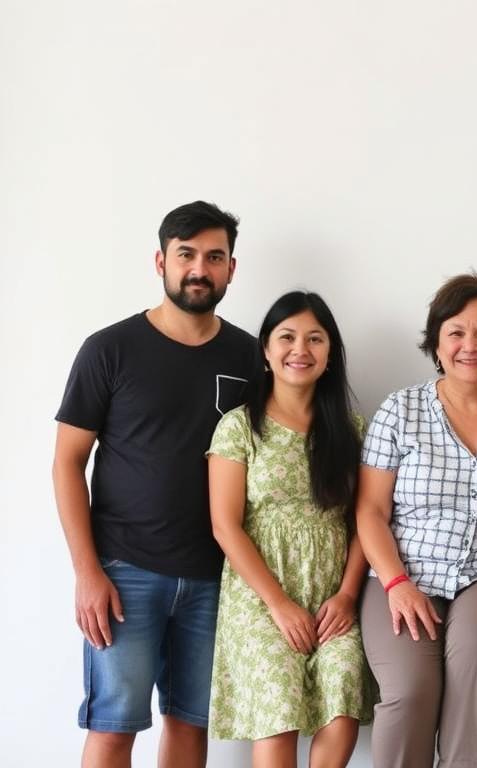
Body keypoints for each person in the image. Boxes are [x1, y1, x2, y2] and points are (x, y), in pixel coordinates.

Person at [52, 201, 256, 768]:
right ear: (160, 261)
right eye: (186, 255)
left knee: (191, 727)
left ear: (231, 269)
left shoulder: (248, 356)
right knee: (114, 728)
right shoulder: (109, 349)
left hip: (216, 578)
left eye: (214, 257)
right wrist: (87, 572)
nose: (199, 268)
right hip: (124, 573)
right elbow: (68, 462)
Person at [356, 273, 477, 768]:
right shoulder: (400, 410)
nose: (470, 346)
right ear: (436, 343)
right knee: (410, 692)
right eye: (456, 332)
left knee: (476, 674)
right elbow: (371, 511)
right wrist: (396, 582)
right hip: (403, 571)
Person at [206, 292, 374, 767]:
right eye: (287, 337)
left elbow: (366, 520)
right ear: (265, 350)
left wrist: (345, 595)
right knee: (278, 711)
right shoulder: (239, 426)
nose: (300, 349)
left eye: (315, 339)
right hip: (260, 594)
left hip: (332, 594)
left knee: (341, 703)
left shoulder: (351, 429)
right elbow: (225, 525)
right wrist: (279, 605)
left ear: (329, 356)